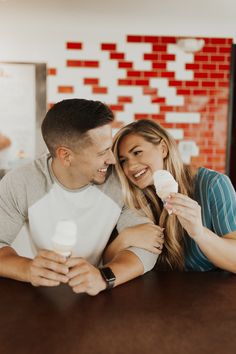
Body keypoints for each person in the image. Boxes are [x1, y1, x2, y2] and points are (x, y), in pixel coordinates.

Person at [0, 99, 164, 296]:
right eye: (102, 152)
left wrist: (105, 278)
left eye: (110, 148)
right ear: (66, 156)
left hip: (100, 297)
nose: (112, 159)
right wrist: (27, 269)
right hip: (37, 296)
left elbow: (147, 247)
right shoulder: (21, 182)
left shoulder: (120, 181)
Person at [107, 119, 236, 272]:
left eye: (137, 152)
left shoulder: (214, 185)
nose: (131, 166)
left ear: (163, 148)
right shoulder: (132, 199)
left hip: (206, 292)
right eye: (123, 161)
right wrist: (125, 238)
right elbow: (109, 264)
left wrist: (199, 233)